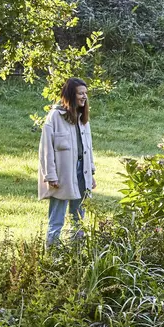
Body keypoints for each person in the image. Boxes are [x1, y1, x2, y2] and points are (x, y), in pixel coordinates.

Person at [38, 76, 94, 245]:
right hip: (62, 174)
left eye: (85, 93)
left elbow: (88, 148)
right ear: (70, 95)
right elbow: (46, 149)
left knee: (79, 217)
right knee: (57, 219)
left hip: (81, 172)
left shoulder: (83, 119)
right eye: (80, 93)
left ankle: (76, 254)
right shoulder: (55, 117)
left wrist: (91, 172)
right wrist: (51, 176)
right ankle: (52, 255)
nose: (84, 97)